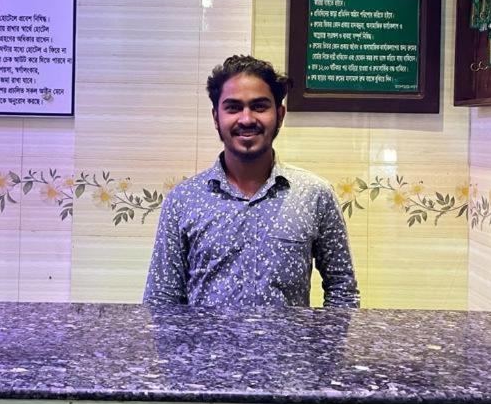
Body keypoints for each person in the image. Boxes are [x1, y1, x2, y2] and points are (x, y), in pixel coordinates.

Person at [143, 55, 359, 308]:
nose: (246, 119)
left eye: (259, 106)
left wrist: (322, 346)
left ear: (279, 114)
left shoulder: (315, 195)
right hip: (204, 349)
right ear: (216, 117)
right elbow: (161, 300)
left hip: (289, 349)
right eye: (233, 107)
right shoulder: (183, 200)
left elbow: (342, 290)